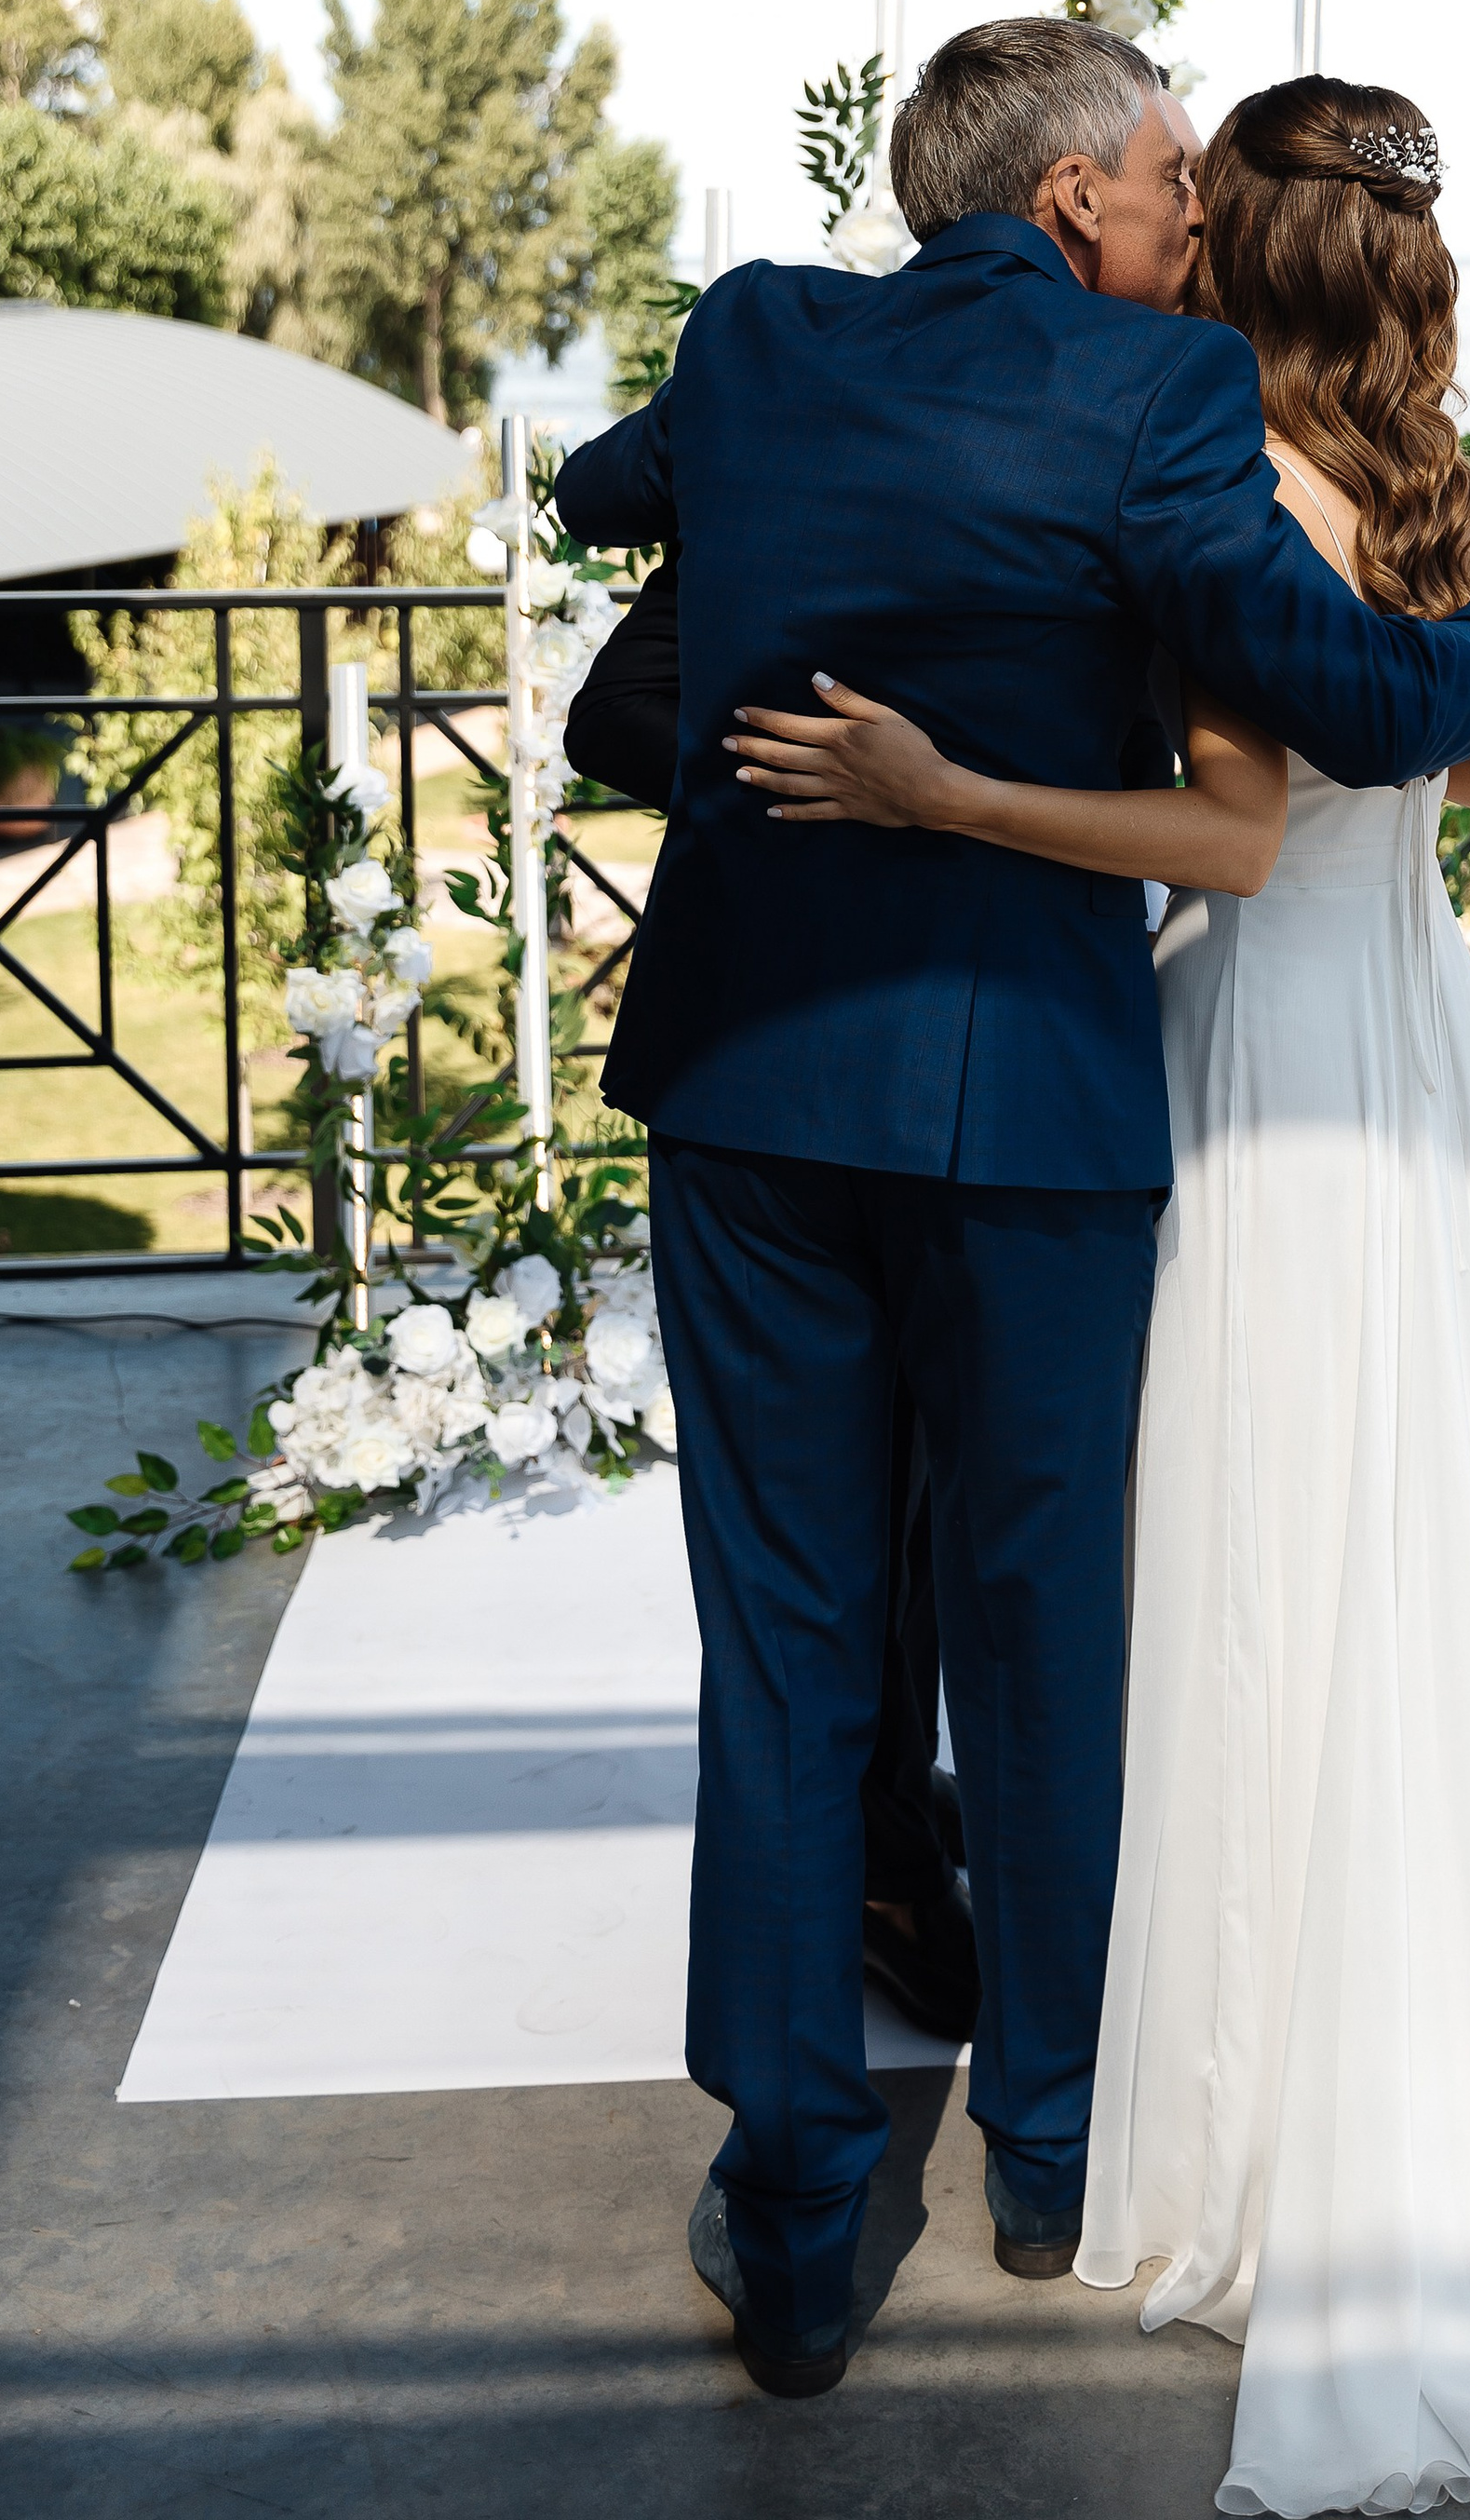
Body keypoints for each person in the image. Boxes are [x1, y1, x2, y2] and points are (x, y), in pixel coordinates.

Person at [733, 76, 1470, 2507]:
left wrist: (948, 796)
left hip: (1246, 1069)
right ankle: (1448, 2072)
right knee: (1408, 1569)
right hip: (1423, 1066)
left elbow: (1227, 840)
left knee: (1230, 1568)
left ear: (1225, 248)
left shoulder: (1212, 473)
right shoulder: (1465, 501)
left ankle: (1222, 2105)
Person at [549, 20, 1470, 2402]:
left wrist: (800, 511)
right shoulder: (1149, 399)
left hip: (753, 1082)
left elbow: (613, 499)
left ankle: (798, 2208)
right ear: (1085, 194)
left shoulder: (752, 336)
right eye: (1166, 180)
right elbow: (1353, 691)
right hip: (1022, 1111)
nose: (1187, 218)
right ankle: (1044, 2135)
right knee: (1043, 1627)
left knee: (791, 1642)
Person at [563, 558, 978, 2047]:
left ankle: (888, 1801)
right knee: (826, 1534)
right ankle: (872, 1872)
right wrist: (840, 786)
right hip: (792, 1053)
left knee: (933, 1506)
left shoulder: (1102, 434)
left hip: (1003, 1049)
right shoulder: (767, 428)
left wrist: (947, 785)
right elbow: (615, 711)